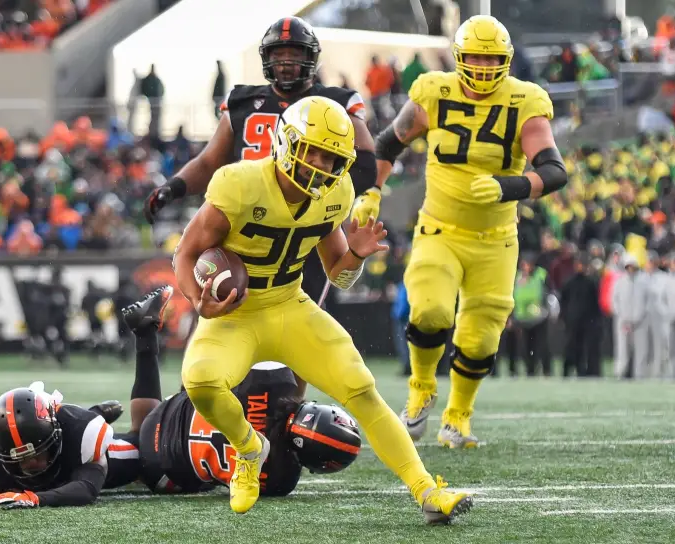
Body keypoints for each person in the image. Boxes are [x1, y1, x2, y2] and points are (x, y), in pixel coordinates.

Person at [171, 96, 471, 522]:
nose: (320, 164)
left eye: (331, 158)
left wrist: (356, 257)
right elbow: (186, 253)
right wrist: (197, 299)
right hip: (237, 313)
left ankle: (427, 490)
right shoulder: (239, 185)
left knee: (362, 388)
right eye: (312, 149)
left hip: (290, 305)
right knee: (200, 382)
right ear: (286, 142)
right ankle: (249, 448)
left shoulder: (335, 194)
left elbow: (338, 275)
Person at [362, 15, 565, 448]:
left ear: (506, 60)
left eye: (492, 58)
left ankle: (458, 416)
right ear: (459, 56)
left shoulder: (525, 101)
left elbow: (554, 171)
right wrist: (372, 194)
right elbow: (387, 144)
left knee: (480, 337)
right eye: (475, 55)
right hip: (440, 227)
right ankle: (420, 390)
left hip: (496, 239)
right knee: (430, 310)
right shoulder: (434, 93)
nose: (483, 65)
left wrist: (508, 185)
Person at [144, 16, 377, 314]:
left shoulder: (335, 102)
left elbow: (366, 164)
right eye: (278, 54)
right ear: (266, 58)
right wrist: (172, 187)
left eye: (294, 53)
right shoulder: (244, 101)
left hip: (302, 225)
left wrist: (314, 195)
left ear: (311, 58)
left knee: (300, 319)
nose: (285, 62)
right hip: (249, 221)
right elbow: (209, 162)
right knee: (225, 311)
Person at [117, 286, 360, 495]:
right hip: (165, 467)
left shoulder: (276, 381)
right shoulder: (282, 480)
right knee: (157, 449)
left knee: (208, 371)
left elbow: (297, 367)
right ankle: (145, 338)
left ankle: (157, 331)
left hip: (172, 411)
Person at [0, 384, 136, 509]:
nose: (31, 464)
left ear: (56, 433)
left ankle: (95, 412)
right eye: (21, 459)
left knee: (150, 461)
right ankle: (96, 411)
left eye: (37, 455)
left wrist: (34, 498)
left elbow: (86, 489)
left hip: (95, 456)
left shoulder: (82, 433)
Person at [558, 254, 601, 377]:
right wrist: (564, 317)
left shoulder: (591, 283)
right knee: (571, 347)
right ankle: (567, 370)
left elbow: (595, 304)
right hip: (572, 322)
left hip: (587, 322)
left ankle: (583, 371)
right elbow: (564, 301)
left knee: (585, 348)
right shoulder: (569, 282)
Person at [612, 254, 649, 379]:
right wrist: (622, 317)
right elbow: (615, 301)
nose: (631, 269)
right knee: (622, 349)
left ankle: (639, 374)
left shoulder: (643, 283)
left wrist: (639, 317)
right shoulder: (620, 282)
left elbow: (647, 302)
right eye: (628, 267)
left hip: (640, 321)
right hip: (623, 322)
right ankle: (621, 372)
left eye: (633, 267)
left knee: (640, 350)